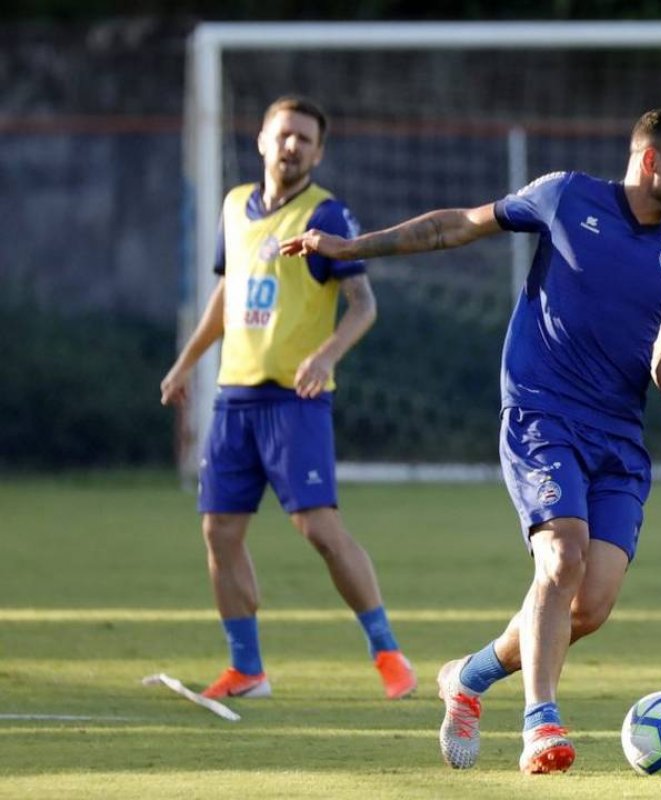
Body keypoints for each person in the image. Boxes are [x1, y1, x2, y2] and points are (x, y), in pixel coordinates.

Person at [281, 108, 661, 773]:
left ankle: (469, 678)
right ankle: (542, 723)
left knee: (589, 606)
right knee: (560, 560)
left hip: (620, 440)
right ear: (650, 160)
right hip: (543, 416)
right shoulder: (566, 196)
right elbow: (457, 225)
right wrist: (348, 250)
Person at [160, 95, 416, 701]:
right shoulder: (232, 207)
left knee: (319, 528)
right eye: (284, 134)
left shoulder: (325, 214)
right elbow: (227, 297)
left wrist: (326, 354)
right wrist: (185, 364)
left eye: (305, 138)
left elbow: (364, 306)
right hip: (234, 399)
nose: (292, 145)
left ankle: (386, 652)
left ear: (318, 151)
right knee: (219, 532)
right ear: (262, 139)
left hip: (295, 402)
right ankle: (247, 669)